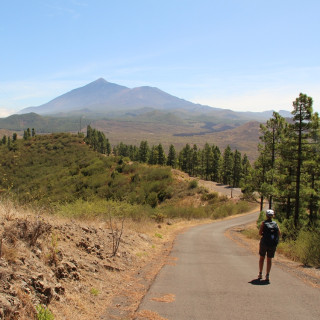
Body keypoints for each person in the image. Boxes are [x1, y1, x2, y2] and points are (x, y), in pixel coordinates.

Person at [258, 209, 281, 282]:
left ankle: (260, 273)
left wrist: (264, 234)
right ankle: (267, 275)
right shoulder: (275, 223)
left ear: (266, 215)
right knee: (269, 259)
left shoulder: (263, 223)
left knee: (262, 258)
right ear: (273, 216)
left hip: (264, 243)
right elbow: (279, 234)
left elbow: (259, 233)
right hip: (272, 244)